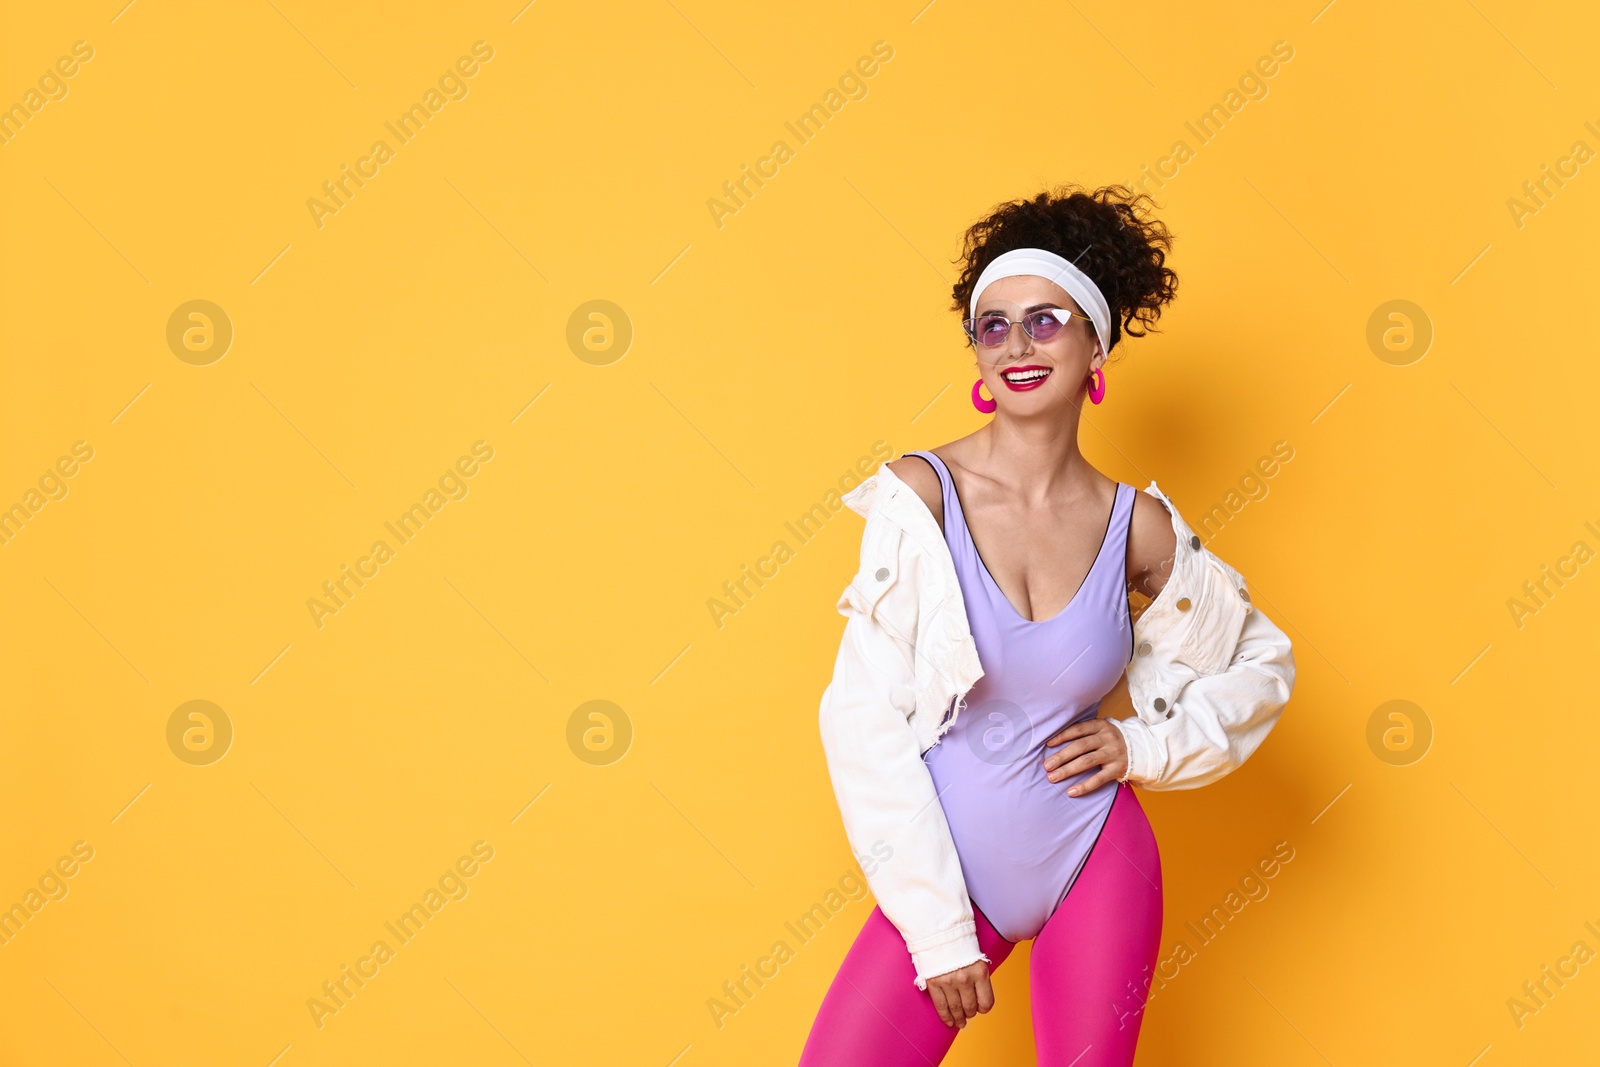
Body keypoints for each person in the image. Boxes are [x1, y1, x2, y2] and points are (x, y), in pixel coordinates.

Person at [804, 184, 1297, 1066]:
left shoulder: (1134, 526)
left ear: (1094, 347)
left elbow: (1262, 661)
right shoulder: (923, 499)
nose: (1018, 346)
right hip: (950, 872)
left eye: (1046, 320)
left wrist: (1143, 748)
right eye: (993, 326)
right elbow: (859, 716)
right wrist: (940, 930)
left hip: (1094, 860)